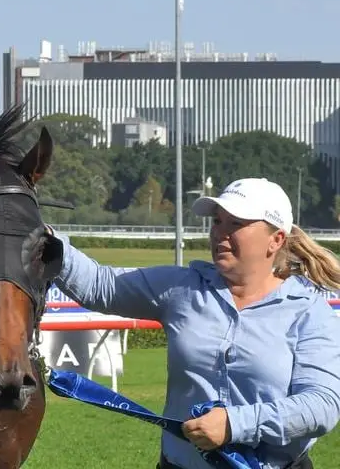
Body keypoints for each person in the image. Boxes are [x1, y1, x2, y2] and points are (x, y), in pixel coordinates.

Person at [46, 177, 340, 468]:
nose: (219, 233)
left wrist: (234, 424)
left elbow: (322, 404)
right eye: (217, 221)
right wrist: (40, 234)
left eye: (235, 224)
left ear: (275, 240)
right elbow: (102, 285)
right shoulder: (181, 288)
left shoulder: (308, 311)